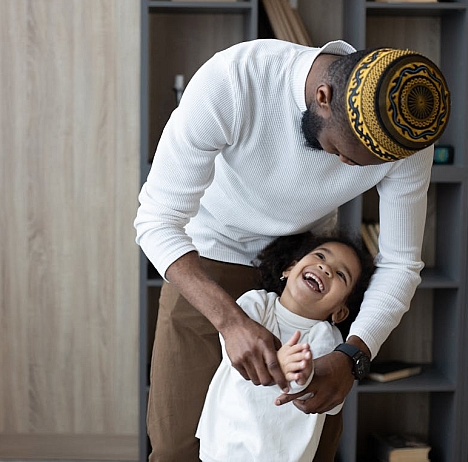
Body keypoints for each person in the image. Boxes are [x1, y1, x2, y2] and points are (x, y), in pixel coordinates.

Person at [135, 39, 450, 461]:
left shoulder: (406, 137)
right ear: (323, 97)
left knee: (308, 446)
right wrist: (231, 323)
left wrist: (353, 355)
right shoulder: (234, 79)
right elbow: (156, 220)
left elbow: (399, 263)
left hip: (301, 268)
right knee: (177, 447)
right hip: (204, 257)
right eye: (344, 152)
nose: (348, 169)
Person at [196, 232, 374, 462]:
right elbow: (234, 347)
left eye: (341, 274)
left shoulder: (328, 338)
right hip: (225, 443)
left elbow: (320, 390)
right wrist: (278, 362)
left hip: (282, 455)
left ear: (340, 311)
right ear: (289, 269)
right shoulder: (256, 303)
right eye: (320, 255)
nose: (326, 268)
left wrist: (302, 372)